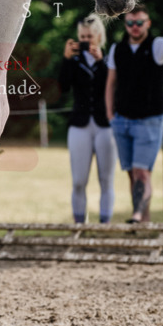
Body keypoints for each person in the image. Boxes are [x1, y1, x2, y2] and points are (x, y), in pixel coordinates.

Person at [105, 5, 163, 223]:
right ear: (126, 25)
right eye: (131, 23)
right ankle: (143, 222)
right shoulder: (117, 49)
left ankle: (135, 215)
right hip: (122, 121)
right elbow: (110, 83)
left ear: (148, 23)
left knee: (142, 173)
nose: (135, 27)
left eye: (140, 22)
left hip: (149, 121)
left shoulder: (158, 46)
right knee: (133, 175)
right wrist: (110, 115)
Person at [59, 14, 116, 224]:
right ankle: (79, 225)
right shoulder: (73, 61)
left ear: (98, 36)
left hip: (105, 125)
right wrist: (66, 59)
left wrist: (101, 62)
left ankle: (105, 225)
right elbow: (63, 87)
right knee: (79, 181)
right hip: (80, 124)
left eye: (89, 36)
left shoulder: (109, 60)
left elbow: (112, 88)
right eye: (82, 36)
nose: (85, 40)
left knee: (106, 180)